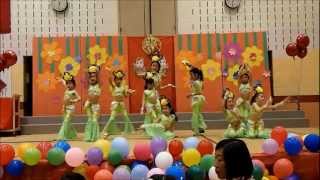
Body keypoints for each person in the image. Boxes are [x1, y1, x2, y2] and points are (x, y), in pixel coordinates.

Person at [102, 70, 135, 137]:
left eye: (120, 79)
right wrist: (111, 74)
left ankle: (128, 131)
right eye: (117, 79)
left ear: (121, 80)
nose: (118, 81)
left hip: (121, 105)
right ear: (115, 80)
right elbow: (110, 81)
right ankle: (106, 130)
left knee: (126, 116)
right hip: (115, 105)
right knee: (112, 118)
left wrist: (129, 93)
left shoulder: (123, 87)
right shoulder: (114, 87)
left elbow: (125, 96)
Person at [182, 60, 207, 135]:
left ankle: (196, 129)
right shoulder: (201, 81)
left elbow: (199, 92)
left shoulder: (195, 82)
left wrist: (191, 94)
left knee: (195, 114)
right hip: (200, 99)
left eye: (192, 75)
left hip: (196, 98)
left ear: (197, 75)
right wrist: (189, 65)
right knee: (198, 113)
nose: (190, 76)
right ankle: (201, 127)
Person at [57, 72, 81, 140]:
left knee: (66, 121)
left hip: (71, 108)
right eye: (67, 83)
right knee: (67, 122)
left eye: (70, 83)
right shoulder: (67, 89)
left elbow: (79, 98)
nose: (68, 85)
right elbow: (64, 82)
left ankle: (62, 136)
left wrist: (73, 101)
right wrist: (61, 79)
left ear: (73, 84)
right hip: (65, 108)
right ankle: (72, 135)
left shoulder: (73, 92)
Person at [84, 65, 101, 142]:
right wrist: (87, 102)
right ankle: (89, 136)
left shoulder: (98, 84)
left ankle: (95, 137)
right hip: (89, 104)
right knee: (90, 120)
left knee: (94, 120)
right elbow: (90, 95)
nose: (92, 76)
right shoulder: (90, 83)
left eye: (94, 74)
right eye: (91, 74)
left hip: (95, 106)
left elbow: (98, 77)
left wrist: (97, 69)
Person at [235, 64, 252, 129]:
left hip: (247, 102)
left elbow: (250, 73)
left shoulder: (249, 83)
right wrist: (242, 68)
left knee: (248, 115)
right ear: (241, 79)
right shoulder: (239, 84)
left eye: (246, 77)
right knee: (241, 115)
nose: (245, 78)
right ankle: (241, 126)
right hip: (241, 102)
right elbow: (239, 75)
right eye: (243, 77)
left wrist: (247, 68)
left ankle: (248, 127)